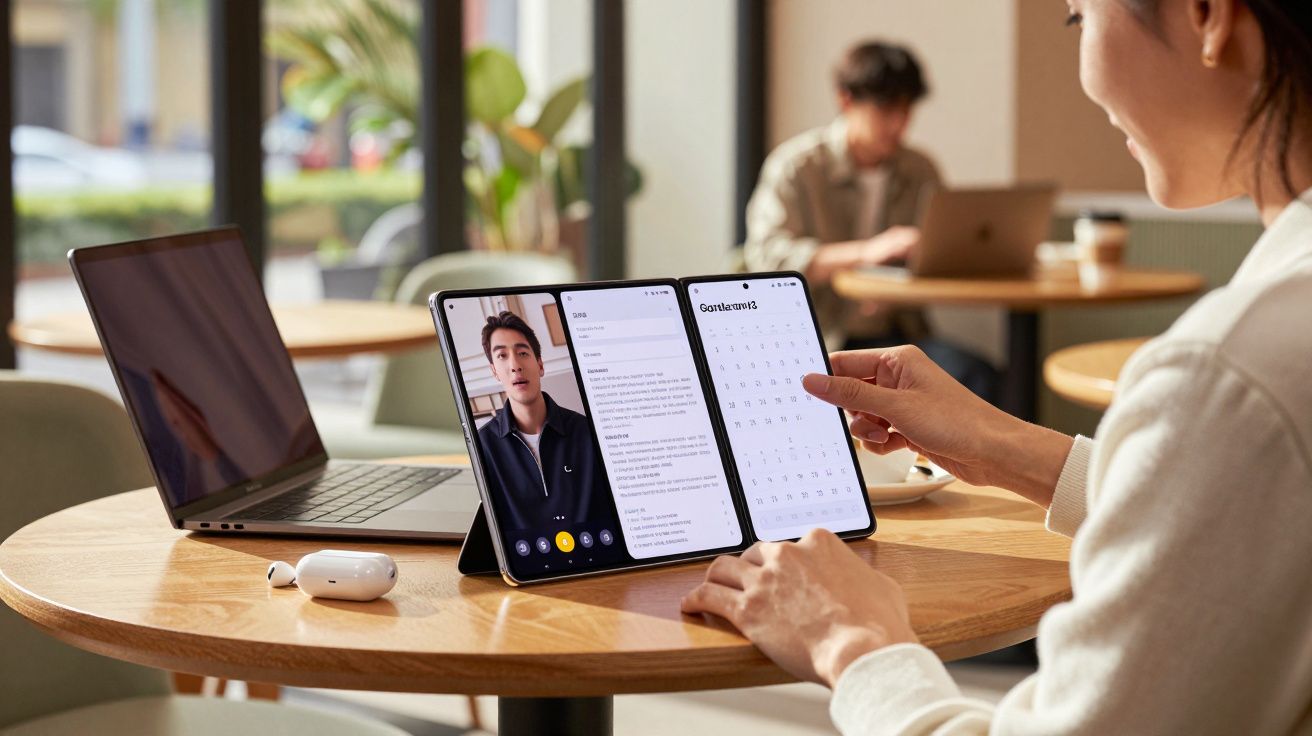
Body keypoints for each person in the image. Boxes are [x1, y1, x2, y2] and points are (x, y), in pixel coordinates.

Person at [685, 0, 1312, 732]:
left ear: (1207, 16)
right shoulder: (1257, 358)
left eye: (1079, 17)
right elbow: (1229, 505)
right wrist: (1001, 443)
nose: (1083, 71)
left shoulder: (1229, 374)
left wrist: (849, 642)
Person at [743, 40, 997, 400]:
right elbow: (766, 258)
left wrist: (900, 281)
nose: (898, 123)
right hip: (818, 335)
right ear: (846, 99)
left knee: (979, 376)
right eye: (885, 109)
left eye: (906, 110)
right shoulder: (797, 167)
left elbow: (939, 252)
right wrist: (867, 253)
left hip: (899, 336)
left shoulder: (919, 169)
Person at [474, 311, 607, 530]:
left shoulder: (586, 431)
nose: (515, 365)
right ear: (495, 372)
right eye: (502, 356)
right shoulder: (484, 444)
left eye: (522, 353)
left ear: (540, 365)